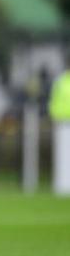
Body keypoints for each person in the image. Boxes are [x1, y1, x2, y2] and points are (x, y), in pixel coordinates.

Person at [49, 53, 70, 195]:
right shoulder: (61, 81)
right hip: (62, 122)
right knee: (62, 157)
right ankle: (62, 186)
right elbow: (54, 100)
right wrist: (54, 116)